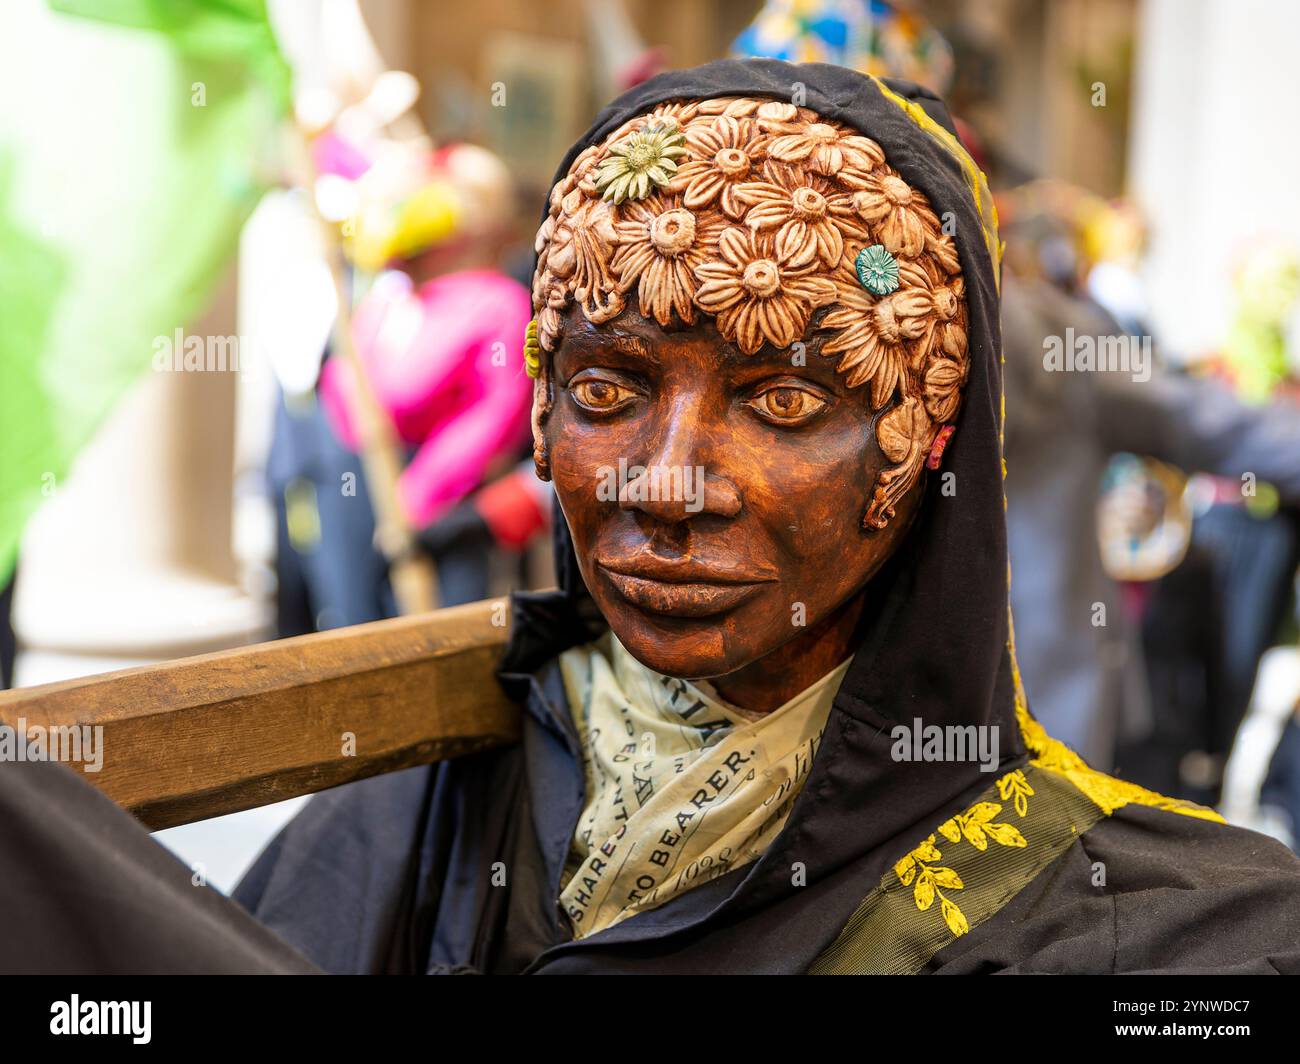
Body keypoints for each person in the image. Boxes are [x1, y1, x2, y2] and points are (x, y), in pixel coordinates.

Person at [4, 60, 1300, 975]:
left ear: (924, 443)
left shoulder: (1141, 921)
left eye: (786, 399)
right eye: (608, 388)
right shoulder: (428, 799)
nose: (666, 481)